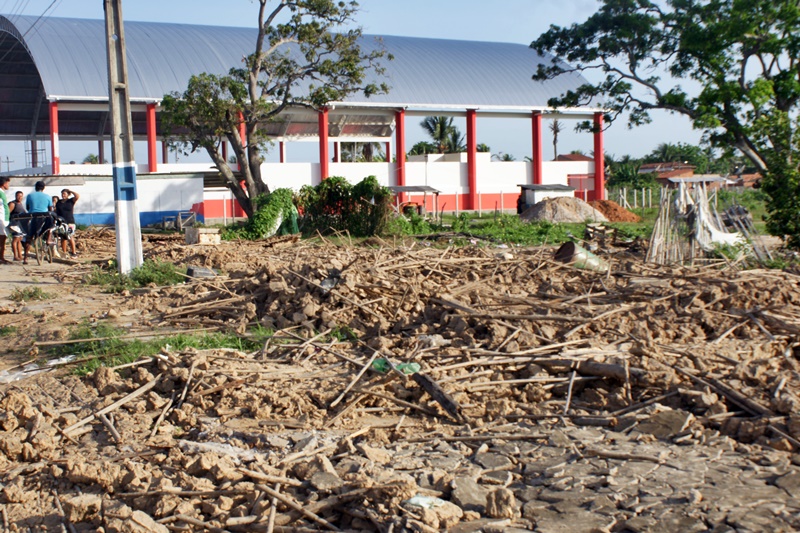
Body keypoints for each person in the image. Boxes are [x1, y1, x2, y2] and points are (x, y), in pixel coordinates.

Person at [23, 181, 54, 265]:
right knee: (51, 225)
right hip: (44, 217)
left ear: (35, 187)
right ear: (43, 188)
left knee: (29, 237)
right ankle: (48, 238)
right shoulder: (47, 196)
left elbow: (28, 207)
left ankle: (25, 258)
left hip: (33, 217)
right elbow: (50, 209)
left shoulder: (30, 196)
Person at [55, 189, 79, 257]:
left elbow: (77, 196)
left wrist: (70, 191)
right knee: (63, 238)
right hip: (61, 222)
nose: (63, 195)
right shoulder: (59, 202)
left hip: (70, 222)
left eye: (64, 194)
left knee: (70, 236)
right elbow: (56, 211)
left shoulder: (70, 201)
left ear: (68, 195)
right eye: (62, 194)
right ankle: (64, 253)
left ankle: (74, 253)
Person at [8, 191, 26, 261]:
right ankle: (15, 256)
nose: (19, 197)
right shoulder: (13, 203)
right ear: (15, 196)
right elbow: (8, 213)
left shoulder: (21, 204)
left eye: (21, 196)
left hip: (20, 224)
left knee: (19, 239)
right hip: (14, 224)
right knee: (15, 239)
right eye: (18, 196)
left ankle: (20, 255)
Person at [0, 177, 10, 264]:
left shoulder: (2, 193)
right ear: (4, 184)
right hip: (1, 218)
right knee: (2, 239)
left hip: (4, 218)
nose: (8, 185)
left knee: (3, 238)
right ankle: (1, 257)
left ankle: (1, 257)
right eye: (8, 183)